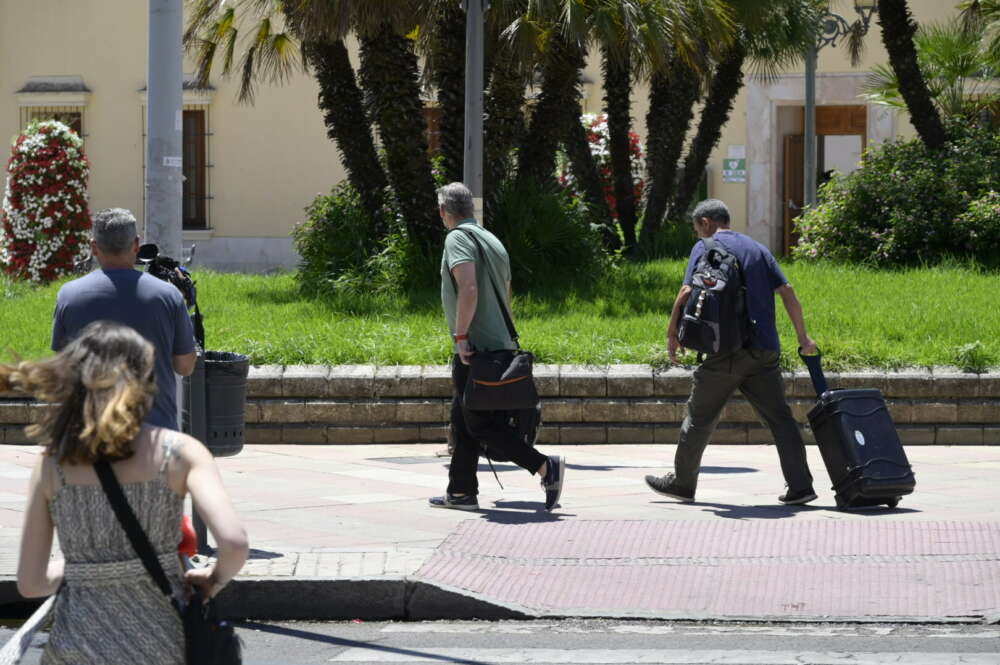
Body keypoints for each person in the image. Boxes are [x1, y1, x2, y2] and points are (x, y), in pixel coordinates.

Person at [8, 321, 248, 664]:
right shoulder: (180, 452)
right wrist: (213, 579)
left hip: (76, 644)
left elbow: (31, 583)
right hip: (160, 642)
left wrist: (86, 567)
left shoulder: (54, 463)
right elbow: (235, 544)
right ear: (146, 380)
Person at [645, 199, 819, 505]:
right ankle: (801, 486)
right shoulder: (758, 249)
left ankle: (683, 483)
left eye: (697, 228)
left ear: (707, 223)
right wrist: (804, 338)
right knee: (780, 419)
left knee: (699, 418)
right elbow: (788, 292)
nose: (698, 234)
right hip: (763, 350)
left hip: (724, 352)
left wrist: (672, 332)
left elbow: (687, 292)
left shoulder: (706, 246)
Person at [428, 182, 565, 512]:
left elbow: (469, 288)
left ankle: (545, 466)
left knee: (479, 424)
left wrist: (461, 337)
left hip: (477, 348)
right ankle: (461, 492)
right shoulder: (492, 240)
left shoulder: (458, 237)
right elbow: (506, 295)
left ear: (444, 211)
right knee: (463, 418)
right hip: (497, 345)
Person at [52, 208, 197, 430]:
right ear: (137, 244)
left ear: (93, 247)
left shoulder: (69, 295)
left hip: (90, 430)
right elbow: (185, 366)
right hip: (154, 429)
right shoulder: (168, 296)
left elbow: (63, 367)